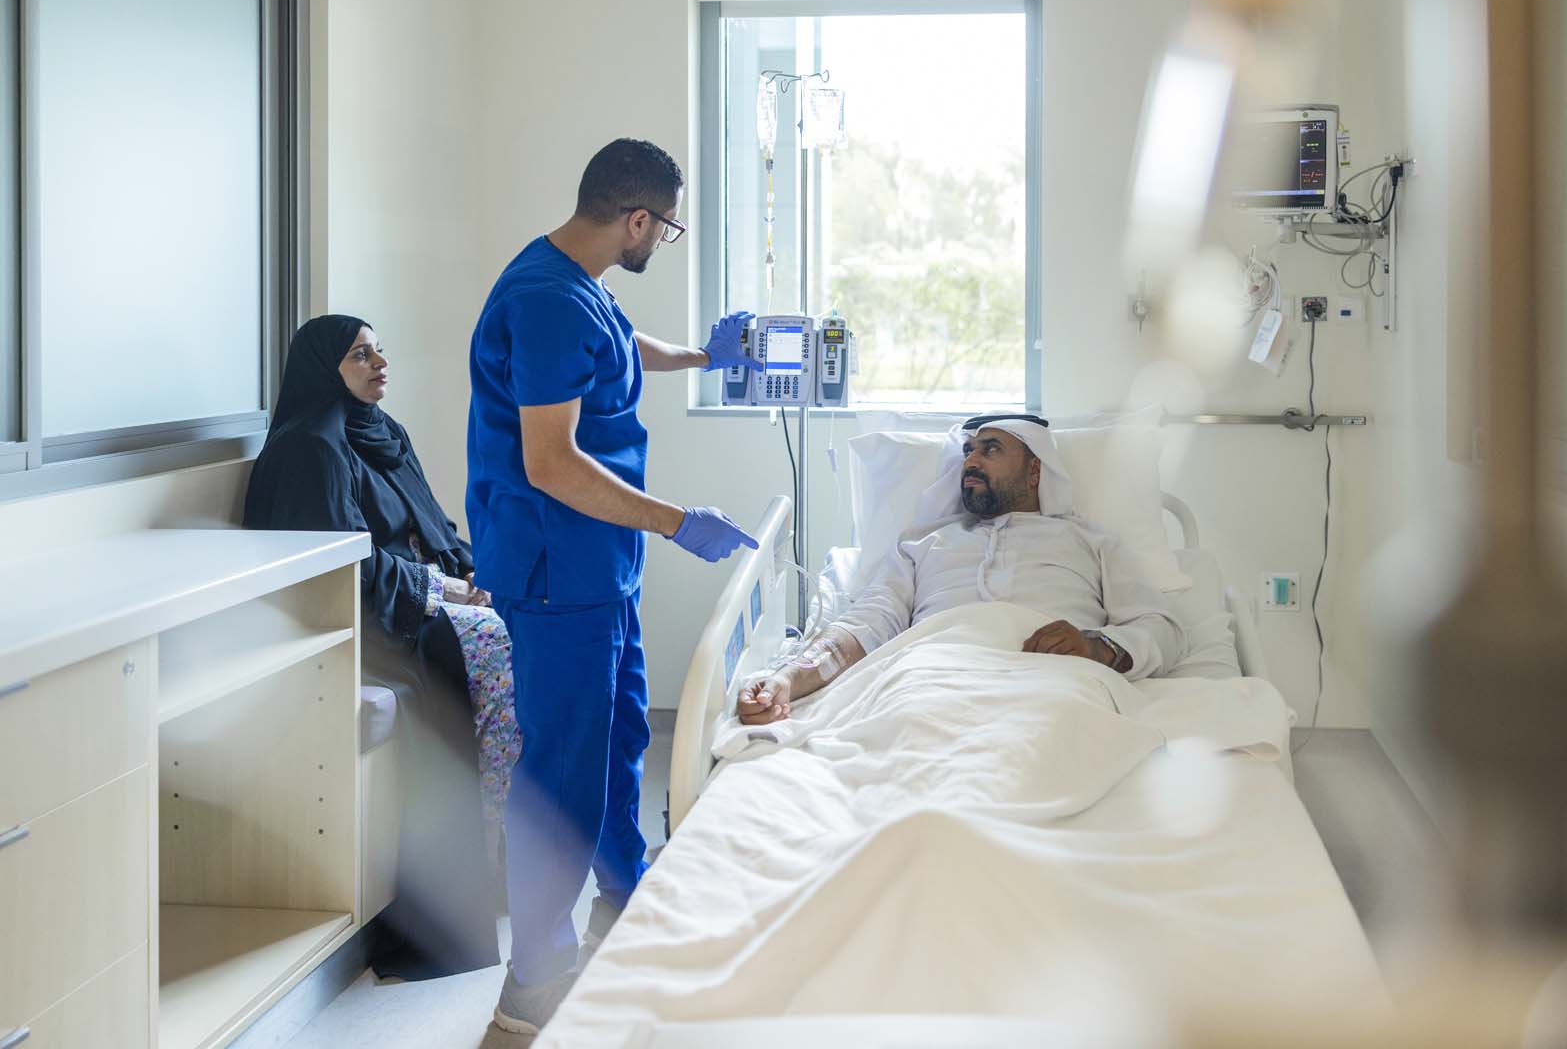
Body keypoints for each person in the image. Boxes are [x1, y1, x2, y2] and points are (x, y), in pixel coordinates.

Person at [466, 138, 760, 1034]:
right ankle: (535, 978)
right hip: (560, 569)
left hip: (601, 568)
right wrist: (676, 521)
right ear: (637, 218)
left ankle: (625, 891)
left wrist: (702, 360)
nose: (659, 240)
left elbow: (623, 345)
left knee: (620, 731)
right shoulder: (546, 301)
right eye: (664, 228)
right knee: (562, 769)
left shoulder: (573, 278)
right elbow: (551, 463)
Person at [244, 313, 517, 979]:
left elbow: (433, 526)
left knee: (525, 618)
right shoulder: (312, 447)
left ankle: (503, 860)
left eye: (378, 350)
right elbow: (343, 569)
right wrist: (447, 590)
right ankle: (459, 889)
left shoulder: (382, 432)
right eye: (359, 355)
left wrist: (473, 575)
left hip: (423, 597)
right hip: (366, 622)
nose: (378, 363)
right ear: (323, 370)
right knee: (488, 641)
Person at [738, 414, 1188, 726]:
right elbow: (864, 625)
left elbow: (1160, 628)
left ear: (1034, 472)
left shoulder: (1091, 542)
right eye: (969, 451)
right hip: (931, 679)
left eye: (991, 450)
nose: (971, 461)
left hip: (1056, 682)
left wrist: (1096, 649)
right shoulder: (922, 544)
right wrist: (787, 679)